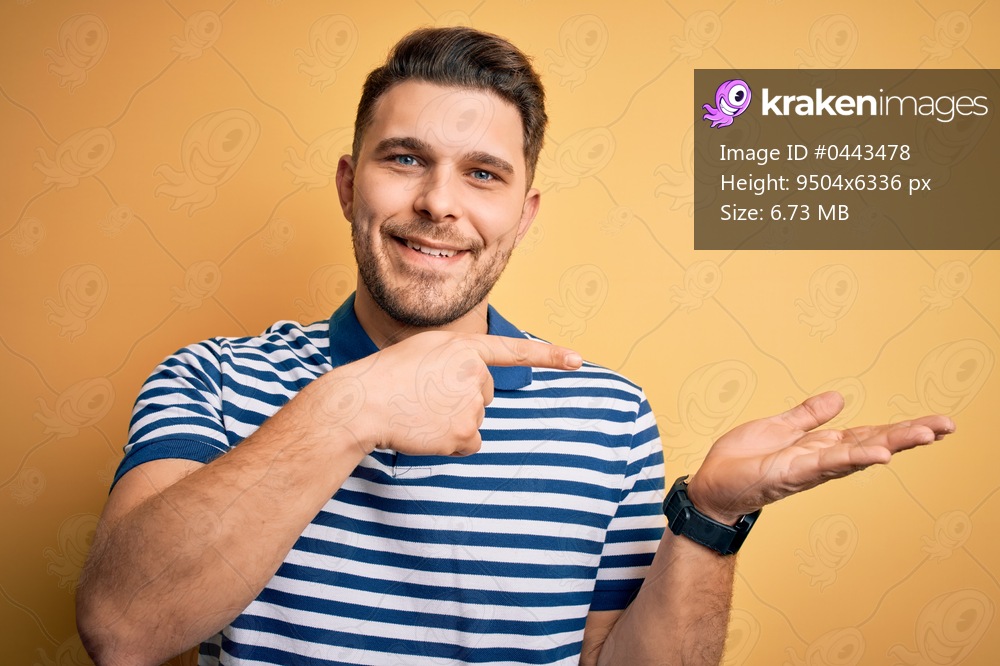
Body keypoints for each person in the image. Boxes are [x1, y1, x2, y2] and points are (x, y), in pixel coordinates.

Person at [76, 26, 955, 666]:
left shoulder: (607, 415)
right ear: (349, 186)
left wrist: (709, 524)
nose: (440, 204)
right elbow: (122, 628)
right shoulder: (213, 379)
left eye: (483, 174)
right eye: (404, 160)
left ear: (523, 216)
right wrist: (354, 402)